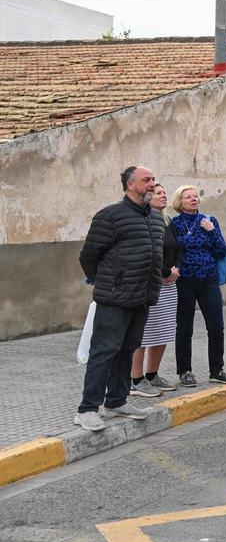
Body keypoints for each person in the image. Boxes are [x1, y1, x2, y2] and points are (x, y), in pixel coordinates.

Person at [74, 166, 164, 431]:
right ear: (130, 184)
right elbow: (88, 256)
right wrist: (107, 282)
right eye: (146, 180)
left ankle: (116, 401)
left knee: (127, 350)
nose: (152, 184)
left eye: (153, 180)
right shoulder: (110, 215)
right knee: (103, 352)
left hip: (142, 298)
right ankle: (87, 409)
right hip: (114, 299)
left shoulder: (156, 219)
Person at [170, 186, 226, 387]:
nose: (193, 199)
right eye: (188, 197)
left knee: (216, 326)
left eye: (195, 196)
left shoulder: (209, 220)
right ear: (180, 202)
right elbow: (172, 250)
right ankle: (185, 371)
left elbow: (221, 250)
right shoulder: (174, 223)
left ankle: (216, 370)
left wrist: (212, 232)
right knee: (184, 328)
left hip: (209, 280)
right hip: (185, 282)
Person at [131, 184, 181, 397]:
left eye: (164, 193)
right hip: (149, 284)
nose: (163, 196)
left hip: (170, 285)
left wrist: (174, 270)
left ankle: (153, 375)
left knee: (163, 331)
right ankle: (136, 379)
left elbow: (176, 248)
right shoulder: (142, 221)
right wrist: (163, 272)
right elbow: (146, 252)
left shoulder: (167, 221)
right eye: (159, 193)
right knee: (143, 333)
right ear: (147, 198)